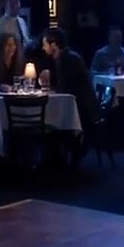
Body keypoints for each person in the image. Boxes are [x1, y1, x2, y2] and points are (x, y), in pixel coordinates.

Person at [40, 27, 100, 166]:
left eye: (45, 44)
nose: (43, 48)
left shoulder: (69, 59)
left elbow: (67, 88)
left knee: (50, 123)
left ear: (53, 45)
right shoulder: (63, 57)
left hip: (84, 109)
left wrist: (50, 88)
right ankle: (55, 159)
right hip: (78, 104)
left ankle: (64, 156)